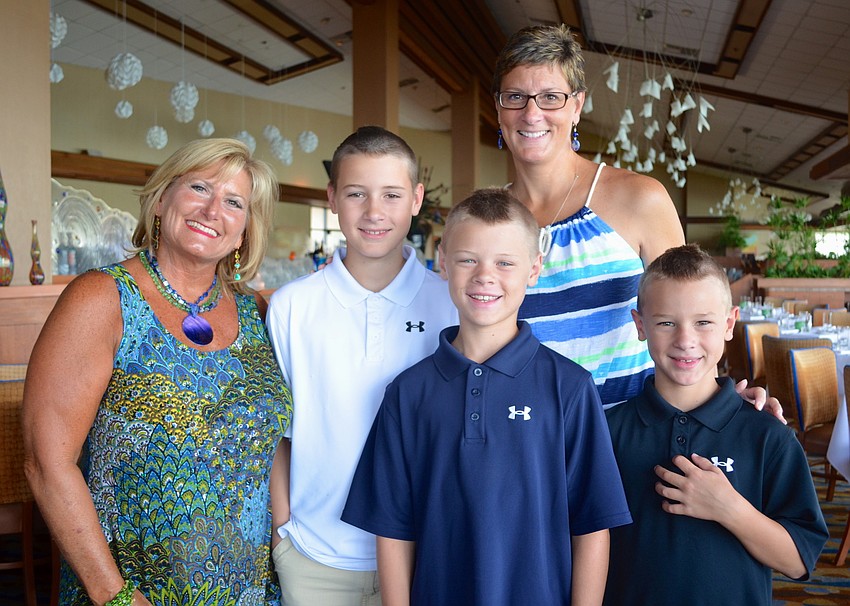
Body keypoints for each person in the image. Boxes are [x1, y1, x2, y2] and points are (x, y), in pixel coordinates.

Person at [22, 138, 292, 605]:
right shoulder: (101, 298)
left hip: (250, 589)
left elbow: (272, 450)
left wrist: (285, 553)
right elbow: (47, 463)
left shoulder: (259, 313)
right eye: (199, 188)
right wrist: (115, 595)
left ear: (245, 230)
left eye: (233, 202)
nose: (212, 211)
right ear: (163, 199)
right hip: (126, 590)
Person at [342, 189, 633, 606]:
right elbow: (392, 531)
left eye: (505, 263)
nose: (484, 276)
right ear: (443, 261)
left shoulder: (569, 387)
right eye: (468, 259)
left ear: (534, 269)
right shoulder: (408, 393)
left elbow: (592, 526)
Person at [491, 24, 779, 415]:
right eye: (515, 97)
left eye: (550, 97)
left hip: (627, 444)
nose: (531, 113)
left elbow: (690, 314)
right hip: (526, 439)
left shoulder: (639, 198)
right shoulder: (490, 219)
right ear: (499, 107)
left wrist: (724, 406)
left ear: (577, 106)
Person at [266, 126, 458, 606]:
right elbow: (275, 431)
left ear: (416, 199)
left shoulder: (452, 304)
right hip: (313, 559)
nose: (374, 212)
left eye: (391, 195)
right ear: (332, 198)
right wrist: (282, 533)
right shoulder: (291, 306)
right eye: (356, 193)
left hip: (427, 555)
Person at [603, 244, 828, 605]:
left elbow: (799, 560)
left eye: (703, 322)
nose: (685, 340)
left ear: (728, 324)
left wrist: (728, 507)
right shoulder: (607, 432)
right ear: (640, 325)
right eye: (665, 322)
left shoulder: (768, 436)